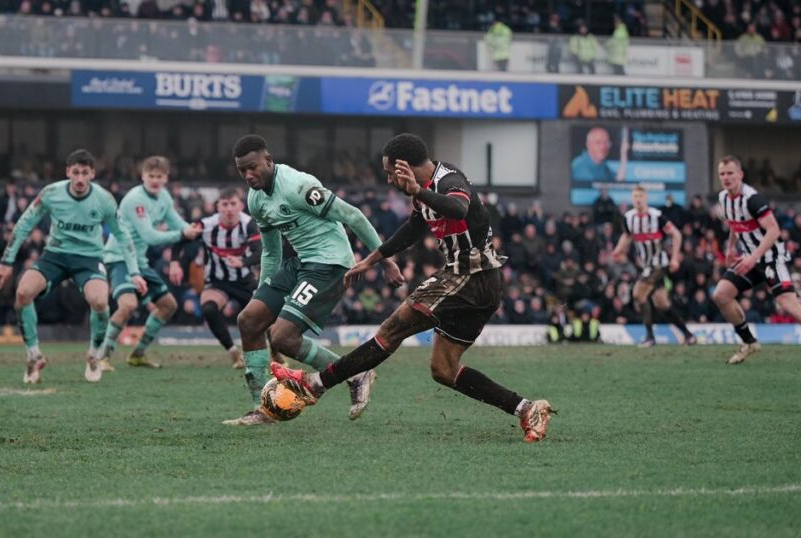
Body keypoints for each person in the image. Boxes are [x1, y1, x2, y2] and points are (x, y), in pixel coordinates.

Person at [270, 133, 554, 443]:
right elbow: (413, 230)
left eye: (389, 171)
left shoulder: (448, 181)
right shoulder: (424, 190)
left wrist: (418, 190)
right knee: (444, 370)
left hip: (470, 277)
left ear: (403, 166)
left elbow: (459, 208)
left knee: (392, 329)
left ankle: (315, 385)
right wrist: (372, 260)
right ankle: (527, 408)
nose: (388, 178)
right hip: (475, 282)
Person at [222, 135, 403, 426]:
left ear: (269, 160)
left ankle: (356, 372)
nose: (248, 175)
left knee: (283, 337)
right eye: (242, 170)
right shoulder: (256, 199)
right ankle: (260, 408)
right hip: (302, 262)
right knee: (249, 320)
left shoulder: (298, 186)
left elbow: (353, 216)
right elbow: (271, 251)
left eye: (253, 167)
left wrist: (385, 260)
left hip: (330, 264)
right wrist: (262, 295)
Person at [0, 149, 147, 384]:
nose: (79, 178)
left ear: (92, 174)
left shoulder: (104, 199)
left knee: (99, 301)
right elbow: (24, 225)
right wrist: (7, 262)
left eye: (84, 173)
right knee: (23, 292)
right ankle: (33, 356)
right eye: (75, 172)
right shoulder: (51, 193)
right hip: (55, 255)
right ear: (67, 172)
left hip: (88, 258)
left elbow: (123, 235)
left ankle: (94, 354)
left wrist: (135, 272)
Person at [711, 155, 801, 367]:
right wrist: (729, 249)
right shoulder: (724, 198)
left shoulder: (753, 199)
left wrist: (754, 257)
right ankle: (749, 343)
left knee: (787, 304)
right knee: (721, 294)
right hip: (750, 259)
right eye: (722, 174)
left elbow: (774, 230)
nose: (726, 178)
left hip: (771, 258)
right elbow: (735, 225)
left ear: (740, 175)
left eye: (730, 173)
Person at [99, 156, 202, 370]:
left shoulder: (164, 196)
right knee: (128, 305)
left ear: (166, 177)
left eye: (159, 176)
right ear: (142, 176)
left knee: (168, 305)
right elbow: (150, 236)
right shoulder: (136, 199)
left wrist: (193, 229)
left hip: (141, 261)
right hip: (119, 257)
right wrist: (183, 233)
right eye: (151, 176)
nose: (155, 180)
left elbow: (176, 222)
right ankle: (102, 356)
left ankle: (137, 354)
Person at [174, 187, 274, 368]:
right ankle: (234, 353)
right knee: (209, 310)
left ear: (241, 206)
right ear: (217, 206)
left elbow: (260, 252)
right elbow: (181, 238)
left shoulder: (248, 224)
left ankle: (276, 352)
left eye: (233, 204)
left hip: (244, 280)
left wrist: (243, 262)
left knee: (263, 317)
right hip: (217, 282)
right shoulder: (205, 225)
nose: (229, 209)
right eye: (225, 204)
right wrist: (175, 263)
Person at [611, 186, 696, 347]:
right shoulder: (628, 218)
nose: (637, 199)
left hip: (658, 264)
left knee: (638, 294)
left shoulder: (656, 216)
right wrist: (617, 250)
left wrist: (675, 258)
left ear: (646, 198)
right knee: (661, 303)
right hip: (645, 266)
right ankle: (688, 335)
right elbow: (627, 236)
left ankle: (649, 337)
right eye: (635, 196)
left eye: (640, 196)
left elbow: (676, 234)